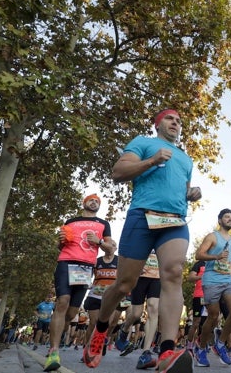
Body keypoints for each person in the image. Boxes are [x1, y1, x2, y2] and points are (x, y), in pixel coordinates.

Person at [83, 109, 201, 372]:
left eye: (179, 121)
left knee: (173, 273)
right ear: (158, 124)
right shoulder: (143, 143)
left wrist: (192, 193)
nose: (176, 123)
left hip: (175, 220)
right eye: (170, 119)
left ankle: (167, 350)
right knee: (125, 283)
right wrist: (151, 161)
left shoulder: (185, 158)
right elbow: (118, 172)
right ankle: (101, 327)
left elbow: (182, 188)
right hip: (143, 215)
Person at [44, 193, 115, 371]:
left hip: (85, 268)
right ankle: (54, 351)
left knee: (71, 313)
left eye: (97, 201)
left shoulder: (103, 224)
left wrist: (98, 241)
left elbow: (111, 247)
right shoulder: (71, 221)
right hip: (66, 262)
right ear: (84, 203)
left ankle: (58, 337)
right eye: (91, 200)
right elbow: (60, 245)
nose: (94, 202)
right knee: (62, 302)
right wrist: (60, 242)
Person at [193, 208, 231, 368]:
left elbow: (226, 261)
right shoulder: (212, 236)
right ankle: (201, 349)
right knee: (213, 317)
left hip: (227, 280)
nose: (230, 219)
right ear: (219, 220)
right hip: (211, 280)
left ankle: (220, 344)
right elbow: (199, 255)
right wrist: (215, 256)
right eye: (227, 217)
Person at [83, 241, 119, 357]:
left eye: (113, 245)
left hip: (111, 298)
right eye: (108, 245)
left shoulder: (120, 261)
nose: (110, 247)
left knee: (107, 323)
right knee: (93, 322)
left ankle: (101, 342)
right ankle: (87, 348)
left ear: (115, 248)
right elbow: (89, 275)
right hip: (95, 295)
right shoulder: (97, 261)